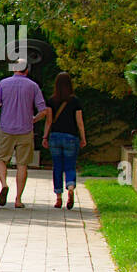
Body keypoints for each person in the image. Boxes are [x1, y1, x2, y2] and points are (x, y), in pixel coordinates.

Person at [0, 57, 49, 208]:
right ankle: (18, 199)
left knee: (0, 159)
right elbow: (43, 111)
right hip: (26, 129)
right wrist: (33, 120)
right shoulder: (33, 86)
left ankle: (4, 184)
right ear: (27, 70)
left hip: (6, 128)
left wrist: (1, 103)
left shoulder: (3, 83)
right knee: (22, 164)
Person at [41, 71, 87, 209]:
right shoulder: (75, 101)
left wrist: (45, 137)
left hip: (55, 137)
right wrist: (83, 138)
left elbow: (49, 121)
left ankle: (58, 197)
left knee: (57, 167)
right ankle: (71, 188)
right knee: (70, 166)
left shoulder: (51, 100)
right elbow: (79, 122)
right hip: (71, 137)